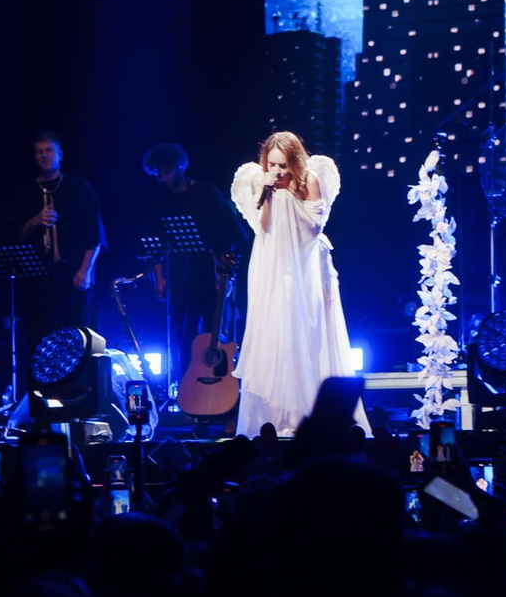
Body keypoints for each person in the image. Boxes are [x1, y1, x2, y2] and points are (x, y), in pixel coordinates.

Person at [231, 131, 366, 436]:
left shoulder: (310, 181)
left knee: (306, 332)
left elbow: (313, 227)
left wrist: (287, 199)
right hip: (272, 266)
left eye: (283, 165)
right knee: (276, 334)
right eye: (272, 165)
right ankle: (276, 417)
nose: (277, 171)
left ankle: (308, 417)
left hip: (306, 266)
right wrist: (268, 196)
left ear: (294, 162)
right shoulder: (262, 184)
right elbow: (263, 227)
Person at [143, 142, 252, 355]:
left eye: (165, 172)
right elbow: (155, 243)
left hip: (209, 276)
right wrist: (160, 277)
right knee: (183, 337)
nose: (162, 178)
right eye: (157, 174)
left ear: (179, 167)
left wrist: (224, 276)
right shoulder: (160, 200)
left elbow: (231, 236)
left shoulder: (207, 194)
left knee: (214, 336)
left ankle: (216, 376)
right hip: (178, 279)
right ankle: (186, 375)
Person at [12, 129, 104, 347]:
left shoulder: (79, 188)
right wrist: (35, 221)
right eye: (40, 152)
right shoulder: (26, 192)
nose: (45, 155)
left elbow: (95, 235)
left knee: (80, 339)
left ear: (60, 154)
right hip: (40, 281)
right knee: (41, 341)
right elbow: (14, 236)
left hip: (75, 276)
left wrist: (85, 270)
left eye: (49, 151)